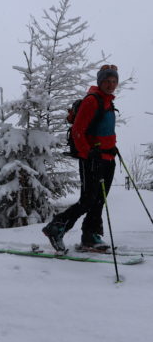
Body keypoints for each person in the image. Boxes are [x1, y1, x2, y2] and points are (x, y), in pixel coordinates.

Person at [42, 64, 119, 252]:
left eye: (114, 81)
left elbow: (102, 130)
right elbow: (77, 130)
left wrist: (111, 146)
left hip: (108, 158)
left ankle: (90, 236)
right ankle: (57, 226)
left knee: (100, 199)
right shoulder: (92, 101)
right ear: (100, 82)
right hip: (92, 158)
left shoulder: (109, 102)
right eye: (107, 81)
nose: (110, 84)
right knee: (88, 199)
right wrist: (88, 152)